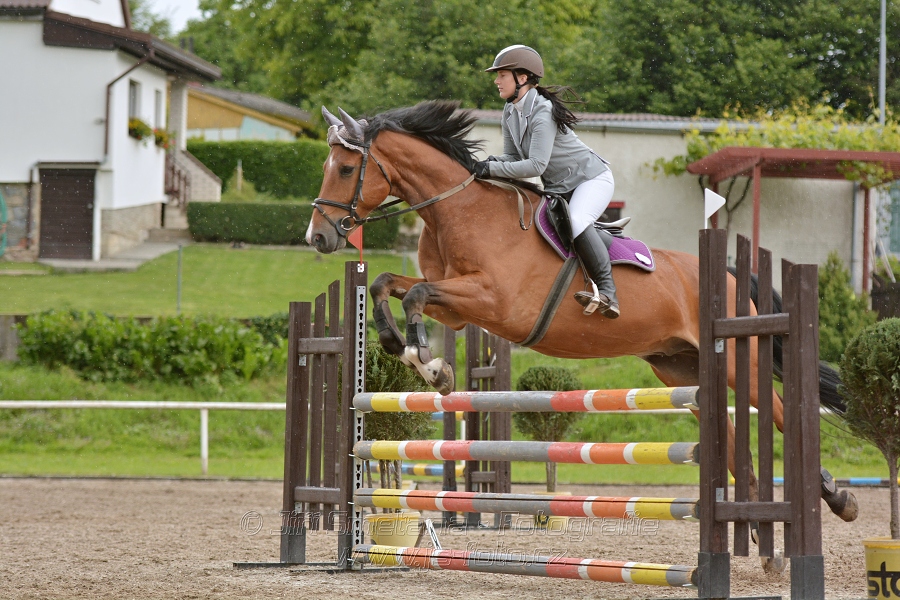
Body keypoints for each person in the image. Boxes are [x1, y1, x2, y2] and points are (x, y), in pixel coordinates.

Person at [474, 45, 619, 319]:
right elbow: (512, 157)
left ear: (523, 77)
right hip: (559, 187)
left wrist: (490, 168)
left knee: (575, 221)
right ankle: (602, 240)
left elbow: (535, 165)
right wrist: (484, 163)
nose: (496, 80)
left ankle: (609, 291)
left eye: (502, 74)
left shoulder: (543, 112)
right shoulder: (510, 112)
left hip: (590, 179)